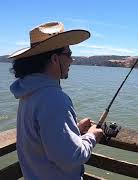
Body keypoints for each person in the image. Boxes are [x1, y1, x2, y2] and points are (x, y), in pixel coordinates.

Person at [9, 22, 104, 179]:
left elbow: (41, 139)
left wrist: (73, 130)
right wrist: (91, 136)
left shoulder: (28, 93)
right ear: (54, 59)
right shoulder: (54, 99)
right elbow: (72, 157)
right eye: (69, 54)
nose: (72, 60)